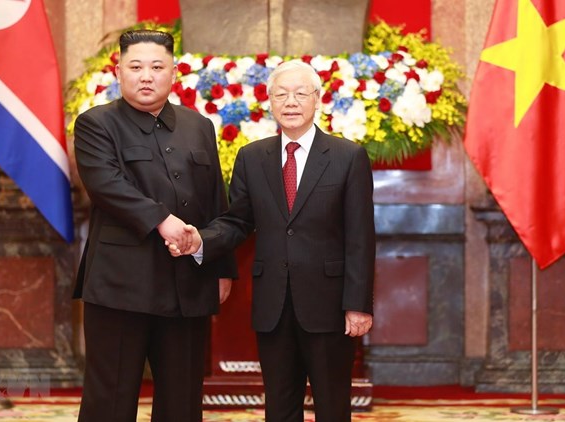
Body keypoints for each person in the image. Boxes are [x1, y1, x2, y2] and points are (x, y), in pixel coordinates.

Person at [172, 60, 375, 421]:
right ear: (269, 101)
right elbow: (237, 221)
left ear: (317, 99)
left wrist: (358, 305)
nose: (290, 102)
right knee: (279, 406)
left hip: (329, 305)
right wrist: (200, 240)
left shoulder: (348, 157)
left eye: (300, 93)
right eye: (281, 94)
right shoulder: (252, 157)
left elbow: (360, 236)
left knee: (333, 405)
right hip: (273, 305)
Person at [73, 29, 236, 422]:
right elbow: (107, 186)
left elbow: (216, 199)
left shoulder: (199, 126)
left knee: (183, 402)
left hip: (187, 286)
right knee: (110, 401)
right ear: (118, 71)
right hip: (119, 286)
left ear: (174, 73)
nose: (146, 76)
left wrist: (222, 266)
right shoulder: (96, 124)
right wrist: (163, 221)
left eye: (157, 67)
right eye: (136, 67)